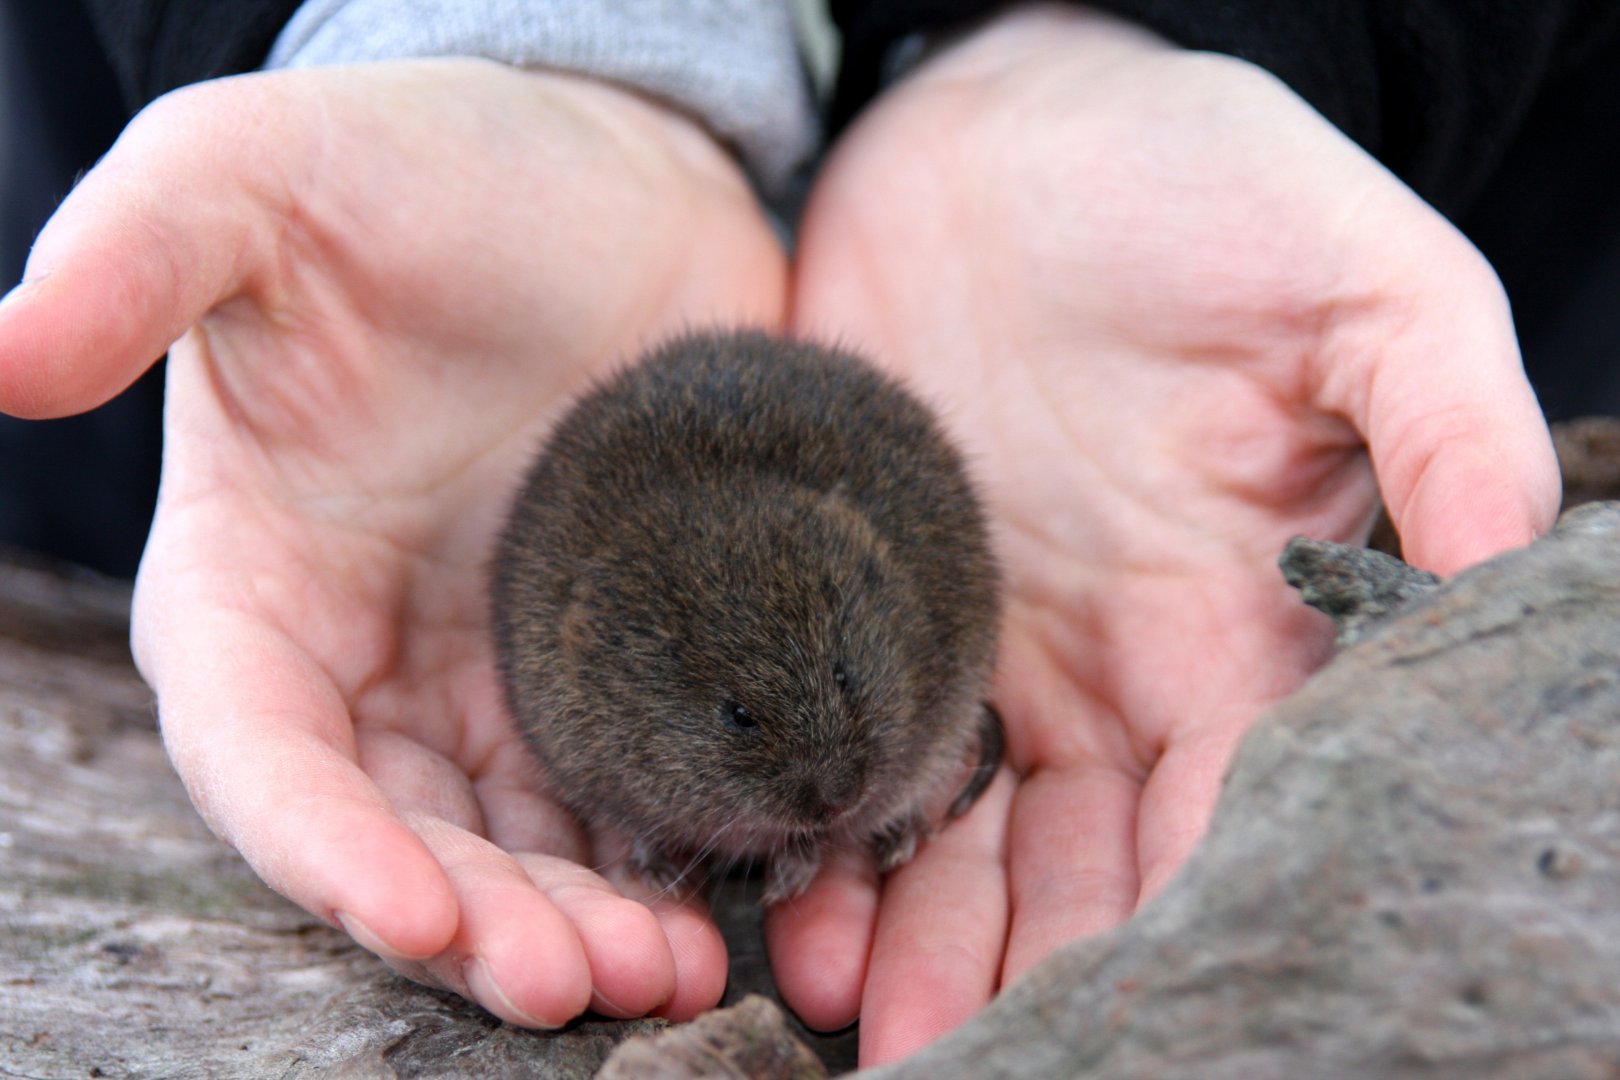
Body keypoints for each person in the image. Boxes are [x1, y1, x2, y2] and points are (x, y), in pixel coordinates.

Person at [1, 0, 1613, 1067]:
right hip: (169, 502)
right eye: (748, 732)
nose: (829, 783)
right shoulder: (581, 636)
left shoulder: (889, 598)